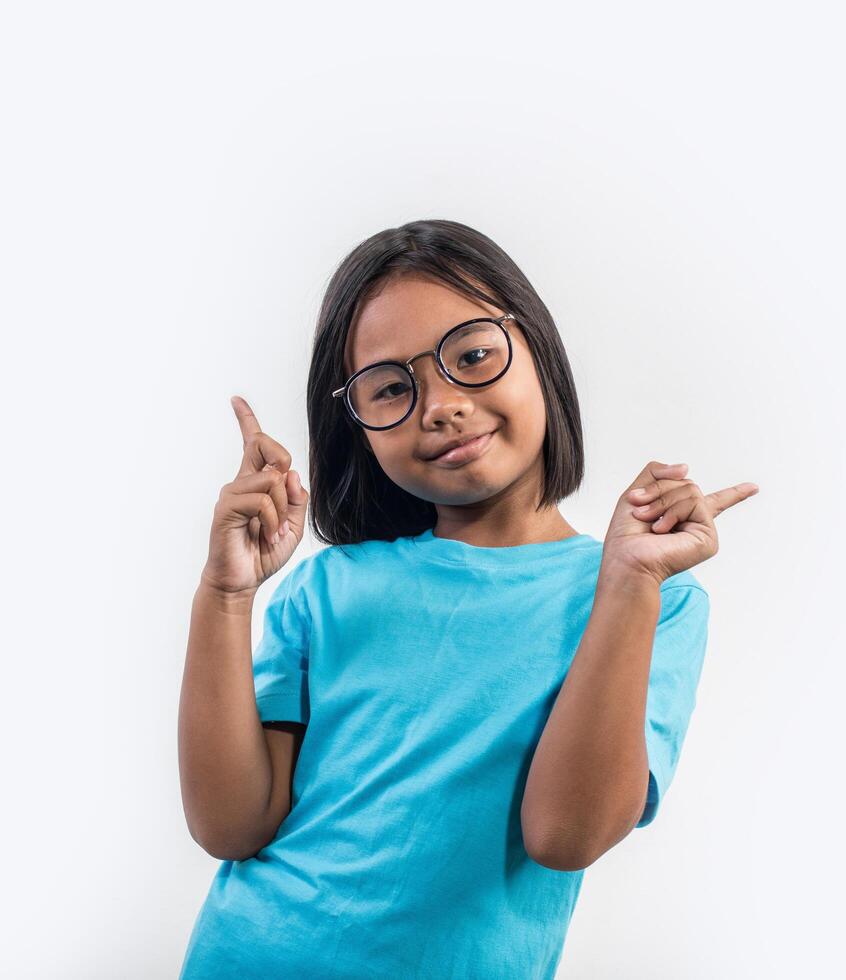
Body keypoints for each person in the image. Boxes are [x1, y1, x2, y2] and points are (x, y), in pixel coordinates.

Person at [175, 218, 759, 978]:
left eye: (472, 355)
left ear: (537, 352)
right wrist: (223, 597)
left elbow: (565, 835)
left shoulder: (653, 601)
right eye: (390, 388)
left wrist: (627, 583)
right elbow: (230, 825)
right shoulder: (329, 586)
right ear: (358, 427)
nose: (440, 405)